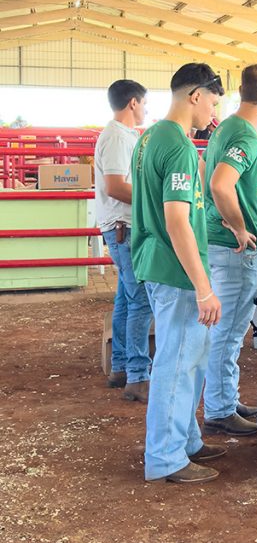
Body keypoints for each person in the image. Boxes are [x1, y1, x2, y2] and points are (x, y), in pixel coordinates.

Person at [131, 63, 226, 484]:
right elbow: (177, 220)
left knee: (188, 356)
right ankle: (166, 458)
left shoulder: (149, 136)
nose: (212, 110)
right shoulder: (181, 147)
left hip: (156, 262)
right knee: (177, 361)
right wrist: (203, 287)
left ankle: (186, 440)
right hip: (177, 271)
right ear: (195, 96)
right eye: (212, 100)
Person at [201, 64, 257, 436]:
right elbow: (220, 183)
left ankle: (224, 399)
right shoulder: (245, 137)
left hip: (217, 244)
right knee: (229, 332)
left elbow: (206, 172)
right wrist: (239, 225)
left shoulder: (225, 128)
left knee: (227, 330)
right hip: (235, 249)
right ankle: (218, 408)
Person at [94, 79, 153, 401]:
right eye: (144, 103)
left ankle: (121, 367)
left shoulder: (123, 135)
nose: (145, 109)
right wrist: (155, 200)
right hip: (124, 227)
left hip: (121, 227)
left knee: (127, 299)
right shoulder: (117, 136)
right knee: (140, 300)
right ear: (133, 102)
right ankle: (137, 375)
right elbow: (115, 186)